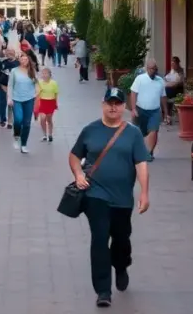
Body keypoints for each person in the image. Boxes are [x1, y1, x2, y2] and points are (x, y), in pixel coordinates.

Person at [69, 87, 150, 308]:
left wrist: (144, 192)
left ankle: (122, 265)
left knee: (121, 240)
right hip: (95, 195)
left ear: (124, 107)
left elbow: (141, 164)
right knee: (99, 238)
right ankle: (103, 290)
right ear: (103, 104)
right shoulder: (90, 130)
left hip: (123, 199)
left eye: (117, 103)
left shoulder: (133, 133)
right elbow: (75, 155)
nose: (113, 107)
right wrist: (78, 174)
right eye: (109, 103)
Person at [128, 59, 168, 162]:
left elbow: (163, 97)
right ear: (147, 69)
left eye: (155, 69)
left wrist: (166, 112)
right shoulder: (140, 79)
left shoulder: (160, 81)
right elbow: (133, 93)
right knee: (139, 133)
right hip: (140, 109)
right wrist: (133, 108)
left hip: (154, 111)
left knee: (153, 131)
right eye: (151, 69)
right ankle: (138, 152)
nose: (153, 71)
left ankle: (149, 153)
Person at [8, 51, 39, 153]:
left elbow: (37, 83)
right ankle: (17, 136)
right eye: (22, 59)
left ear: (28, 60)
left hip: (29, 99)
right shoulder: (14, 71)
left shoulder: (32, 71)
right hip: (17, 99)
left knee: (27, 123)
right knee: (18, 119)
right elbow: (10, 85)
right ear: (19, 60)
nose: (24, 61)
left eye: (26, 59)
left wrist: (36, 93)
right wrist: (9, 98)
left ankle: (24, 144)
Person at [36, 68, 59, 142]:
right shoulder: (39, 83)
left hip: (50, 102)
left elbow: (56, 93)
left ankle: (50, 134)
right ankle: (44, 135)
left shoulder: (54, 83)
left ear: (50, 75)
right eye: (43, 74)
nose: (44, 75)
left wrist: (56, 103)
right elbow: (37, 94)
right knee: (42, 118)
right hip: (42, 102)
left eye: (46, 74)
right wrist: (36, 104)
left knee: (49, 119)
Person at [0, 49, 19, 130]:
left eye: (11, 53)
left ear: (14, 54)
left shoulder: (18, 63)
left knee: (10, 105)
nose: (9, 55)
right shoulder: (3, 63)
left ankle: (10, 122)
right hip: (3, 86)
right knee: (2, 104)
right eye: (8, 53)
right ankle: (2, 119)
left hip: (14, 87)